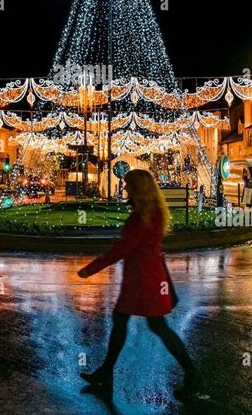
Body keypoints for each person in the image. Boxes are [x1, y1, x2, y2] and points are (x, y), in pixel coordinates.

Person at [77, 168, 202, 400]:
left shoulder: (141, 218)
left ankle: (193, 374)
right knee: (131, 322)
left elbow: (123, 248)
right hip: (147, 278)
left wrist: (90, 269)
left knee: (153, 326)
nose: (125, 189)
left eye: (128, 186)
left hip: (143, 282)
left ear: (137, 189)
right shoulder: (151, 212)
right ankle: (106, 372)